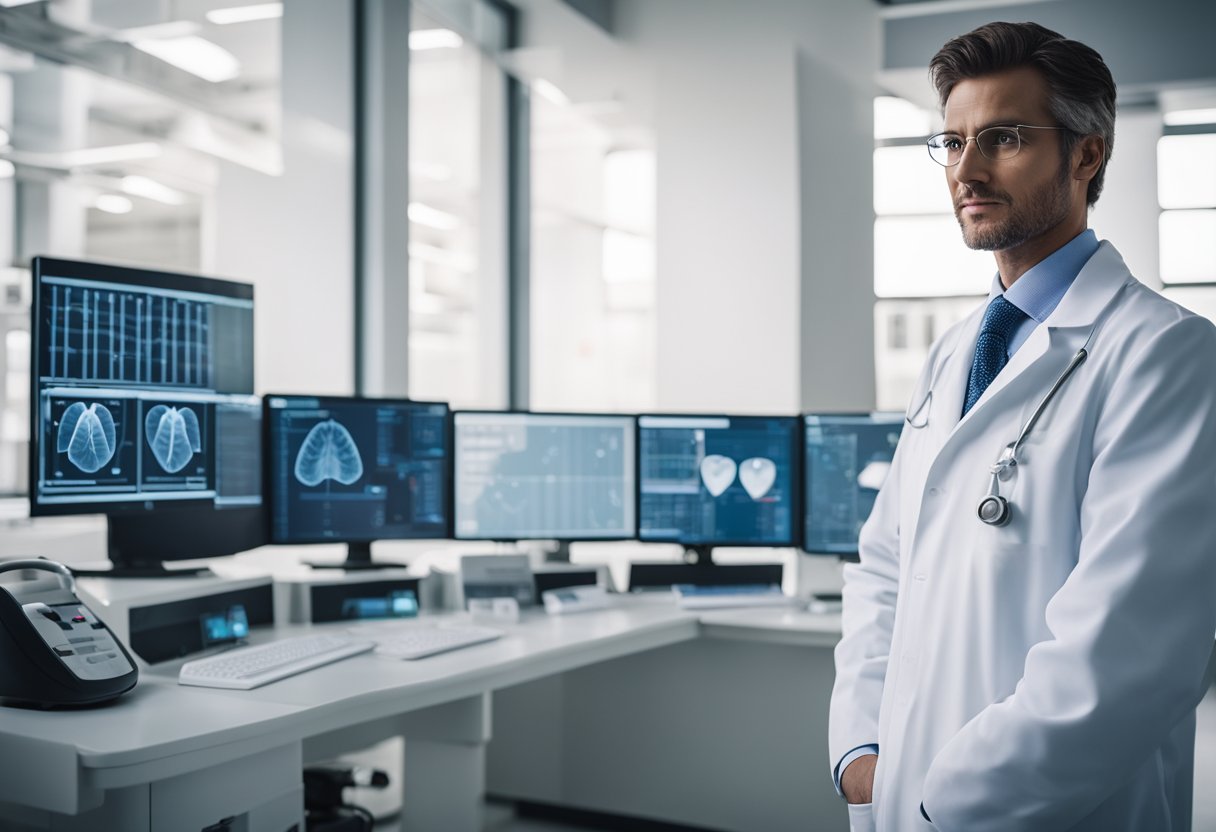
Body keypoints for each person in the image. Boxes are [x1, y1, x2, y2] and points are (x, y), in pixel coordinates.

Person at [829, 21, 1216, 832]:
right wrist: (862, 750)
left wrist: (948, 804)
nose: (966, 170)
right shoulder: (953, 353)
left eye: (1003, 138)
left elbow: (1127, 661)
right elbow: (885, 566)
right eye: (953, 141)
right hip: (899, 792)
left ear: (1087, 154)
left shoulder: (1166, 354)